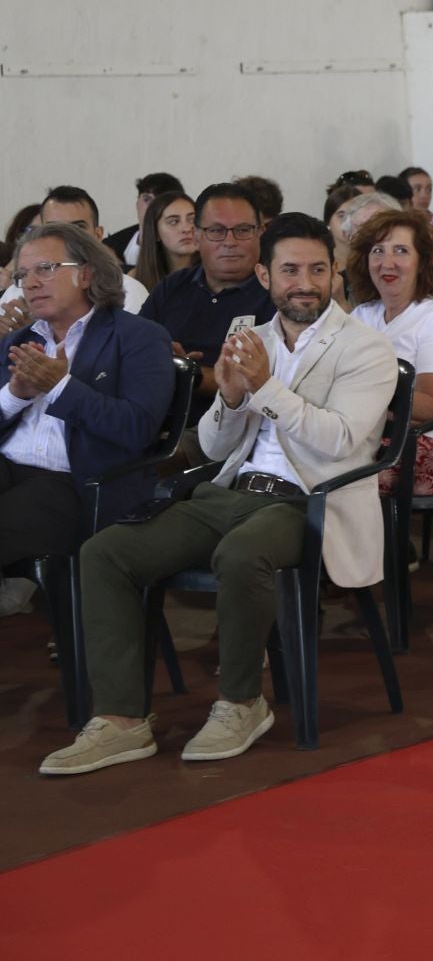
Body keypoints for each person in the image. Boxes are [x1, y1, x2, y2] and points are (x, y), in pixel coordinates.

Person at [42, 213, 400, 773]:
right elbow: (212, 443)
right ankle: (121, 719)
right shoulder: (251, 339)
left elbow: (340, 441)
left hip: (308, 501)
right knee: (105, 553)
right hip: (228, 492)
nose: (303, 282)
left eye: (316, 269)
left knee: (242, 553)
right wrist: (232, 400)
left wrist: (266, 388)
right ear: (264, 275)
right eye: (289, 270)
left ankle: (240, 702)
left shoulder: (367, 349)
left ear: (335, 273)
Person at [0, 224, 177, 599]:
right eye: (21, 275)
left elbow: (137, 428)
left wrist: (60, 387)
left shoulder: (139, 337)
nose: (29, 283)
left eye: (45, 268)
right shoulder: (20, 341)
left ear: (86, 273)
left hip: (79, 485)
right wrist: (15, 395)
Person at [345, 208, 433, 496]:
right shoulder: (363, 315)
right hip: (367, 437)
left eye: (401, 251)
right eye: (377, 251)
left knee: (321, 477)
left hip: (424, 447)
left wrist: (358, 402)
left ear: (423, 262)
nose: (387, 263)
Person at [139, 182, 275, 417]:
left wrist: (189, 373)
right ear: (198, 235)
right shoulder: (173, 287)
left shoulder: (276, 294)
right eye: (216, 231)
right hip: (156, 417)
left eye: (243, 230)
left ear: (260, 233)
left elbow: (264, 383)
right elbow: (136, 350)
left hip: (237, 426)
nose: (230, 242)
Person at [4, 187, 150, 313]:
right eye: (54, 229)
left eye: (78, 228)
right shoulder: (18, 291)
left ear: (98, 234)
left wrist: (32, 333)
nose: (67, 237)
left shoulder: (128, 292)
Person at [105, 171, 185, 266]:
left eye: (160, 201)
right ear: (137, 203)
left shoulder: (182, 245)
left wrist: (119, 266)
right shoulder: (111, 244)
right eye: (147, 199)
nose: (152, 206)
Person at [130, 189, 199, 294]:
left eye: (192, 220)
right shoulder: (136, 278)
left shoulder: (216, 274)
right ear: (156, 232)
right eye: (173, 222)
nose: (187, 229)